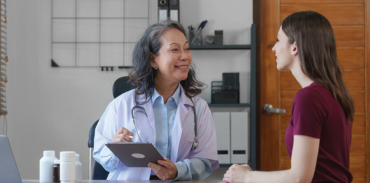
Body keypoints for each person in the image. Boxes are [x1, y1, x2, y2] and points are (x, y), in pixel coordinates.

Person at [223, 11, 354, 183]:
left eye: (278, 40)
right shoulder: (334, 93)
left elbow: (299, 178)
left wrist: (247, 176)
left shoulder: (309, 98)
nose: (274, 48)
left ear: (294, 47)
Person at [93, 20, 219, 181]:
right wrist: (115, 148)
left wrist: (178, 170)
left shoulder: (199, 108)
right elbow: (102, 157)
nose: (185, 56)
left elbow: (206, 160)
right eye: (175, 49)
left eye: (187, 48)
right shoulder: (121, 105)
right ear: (153, 60)